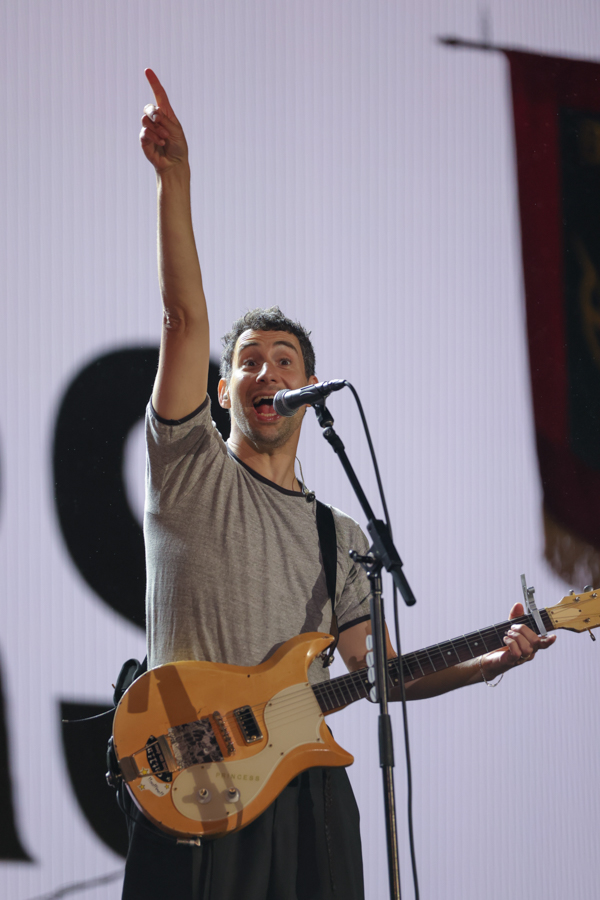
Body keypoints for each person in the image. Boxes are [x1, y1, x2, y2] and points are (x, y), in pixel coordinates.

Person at [120, 69, 556, 900]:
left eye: (285, 361)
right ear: (224, 392)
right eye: (249, 362)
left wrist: (490, 660)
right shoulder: (188, 466)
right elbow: (184, 319)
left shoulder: (340, 537)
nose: (267, 372)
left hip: (302, 794)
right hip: (195, 776)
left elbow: (377, 671)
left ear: (310, 386)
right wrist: (175, 181)